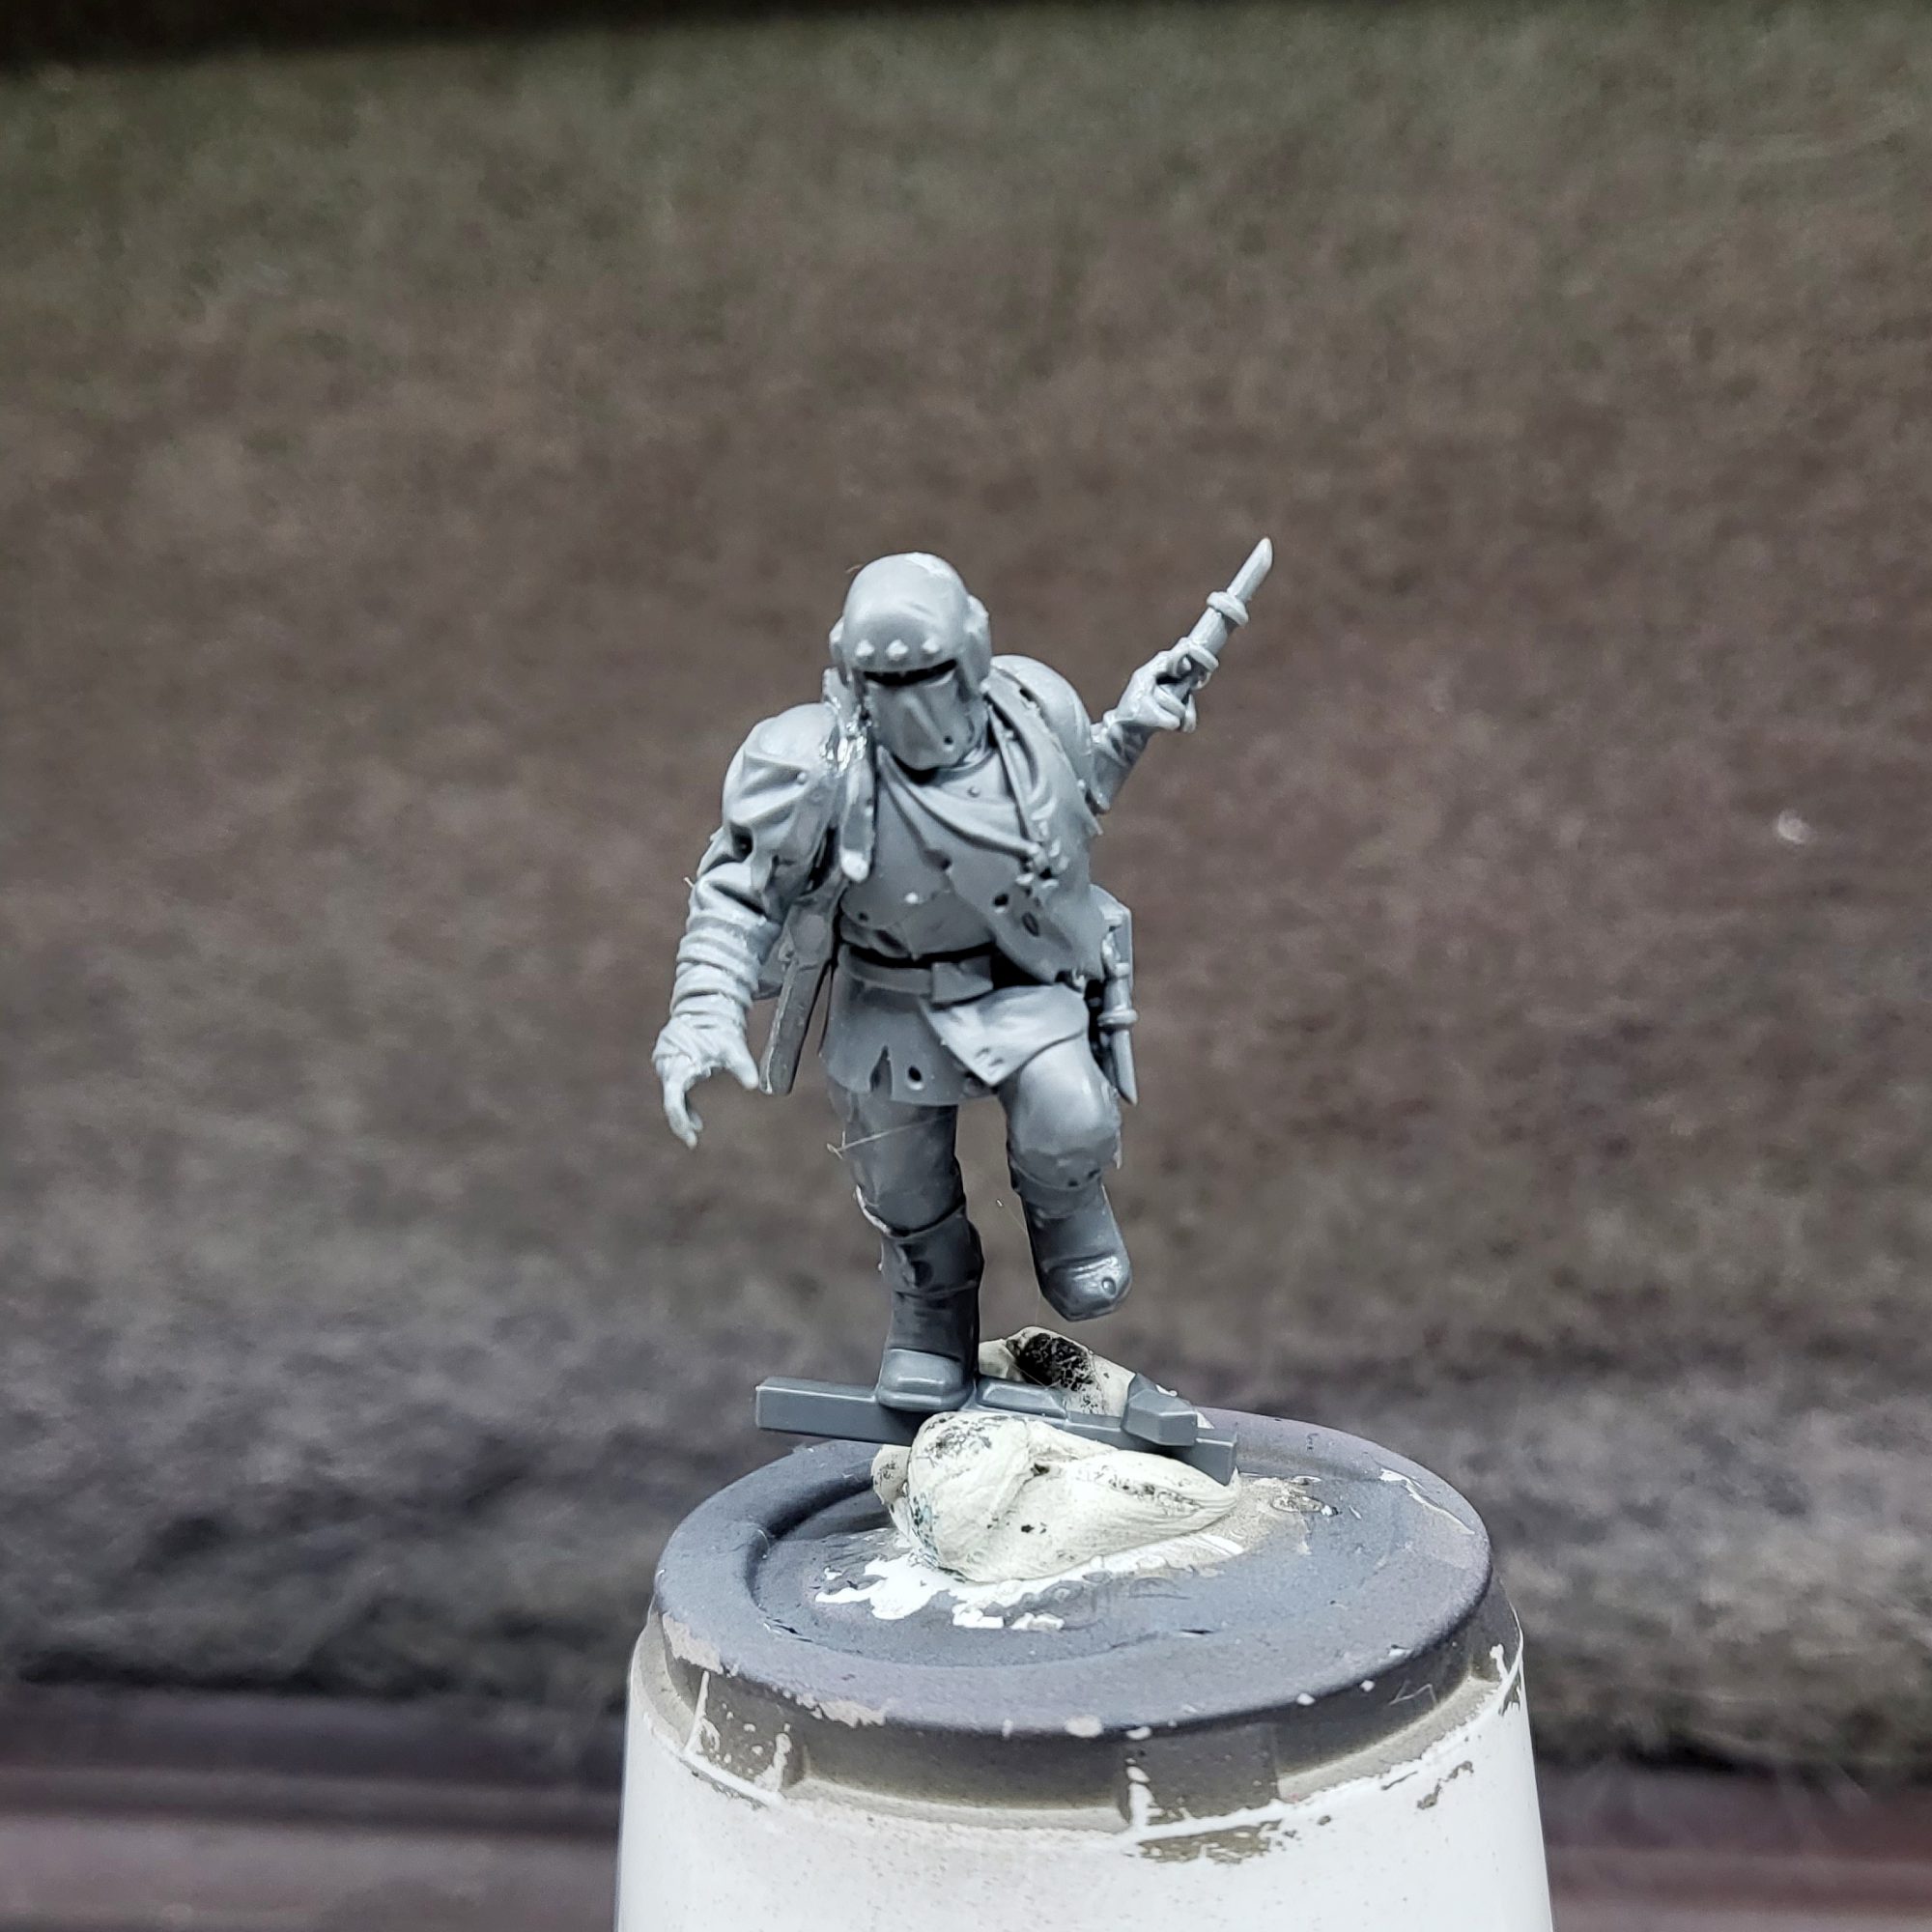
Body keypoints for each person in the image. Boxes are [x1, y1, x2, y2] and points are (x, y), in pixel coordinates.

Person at [654, 550, 1244, 1410]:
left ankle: (1066, 1213)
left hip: (1019, 981)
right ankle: (930, 1310)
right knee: (901, 1184)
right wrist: (704, 1010)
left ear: (971, 654)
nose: (912, 703)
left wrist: (1130, 723)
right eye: (886, 681)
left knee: (1072, 1116)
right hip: (888, 1000)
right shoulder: (811, 764)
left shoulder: (1032, 713)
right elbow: (737, 893)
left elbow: (1073, 809)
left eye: (929, 673)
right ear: (851, 674)